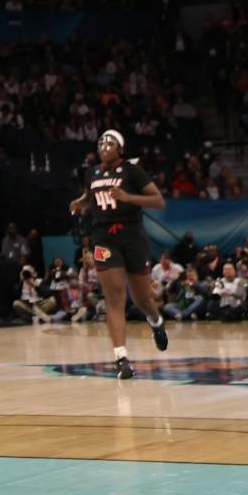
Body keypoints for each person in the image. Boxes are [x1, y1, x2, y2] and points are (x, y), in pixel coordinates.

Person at [66, 131, 168, 379]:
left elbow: (158, 201)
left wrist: (127, 197)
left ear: (120, 149)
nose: (104, 145)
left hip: (132, 236)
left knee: (142, 300)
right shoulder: (91, 173)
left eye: (110, 142)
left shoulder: (132, 171)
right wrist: (80, 203)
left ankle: (155, 321)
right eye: (101, 142)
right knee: (114, 298)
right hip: (103, 238)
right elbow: (91, 197)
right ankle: (121, 358)